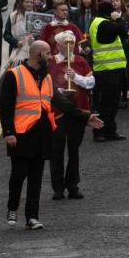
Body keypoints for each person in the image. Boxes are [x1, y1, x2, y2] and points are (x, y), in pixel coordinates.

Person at [0, 39, 61, 229]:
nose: (51, 57)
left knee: (36, 176)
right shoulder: (14, 74)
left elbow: (57, 101)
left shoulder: (47, 77)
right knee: (19, 174)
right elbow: (5, 106)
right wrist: (8, 132)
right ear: (38, 54)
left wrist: (84, 115)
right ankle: (12, 207)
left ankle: (32, 217)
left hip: (42, 133)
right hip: (21, 133)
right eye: (49, 53)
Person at [47, 30, 103, 199]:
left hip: (78, 110)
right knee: (57, 150)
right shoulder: (51, 62)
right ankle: (58, 187)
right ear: (59, 45)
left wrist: (76, 77)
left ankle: (73, 185)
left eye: (72, 42)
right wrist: (59, 91)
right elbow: (45, 84)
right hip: (57, 110)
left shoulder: (80, 61)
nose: (70, 46)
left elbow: (91, 82)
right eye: (66, 43)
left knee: (74, 149)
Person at [87, 0, 128, 141]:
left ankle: (110, 130)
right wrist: (119, 18)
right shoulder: (103, 23)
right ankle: (99, 131)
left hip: (111, 68)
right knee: (106, 103)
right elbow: (123, 29)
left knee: (113, 102)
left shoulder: (97, 22)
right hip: (106, 69)